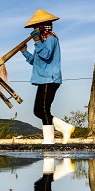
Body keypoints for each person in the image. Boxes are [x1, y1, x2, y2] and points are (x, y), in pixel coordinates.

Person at [20, 9, 75, 144]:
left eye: (36, 27)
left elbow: (46, 55)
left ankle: (49, 140)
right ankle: (65, 127)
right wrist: (25, 52)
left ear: (43, 26)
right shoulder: (42, 41)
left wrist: (37, 41)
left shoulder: (50, 38)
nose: (34, 29)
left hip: (50, 78)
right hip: (42, 79)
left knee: (44, 109)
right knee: (37, 110)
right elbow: (36, 61)